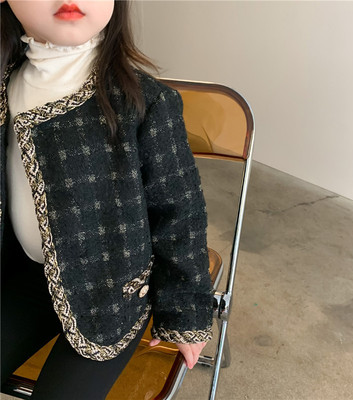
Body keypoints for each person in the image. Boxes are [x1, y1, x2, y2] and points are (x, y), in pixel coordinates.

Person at [0, 1, 214, 398]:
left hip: (110, 295)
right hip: (24, 275)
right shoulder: (5, 83)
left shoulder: (144, 101)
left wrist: (185, 312)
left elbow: (179, 213)